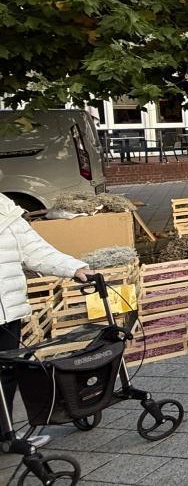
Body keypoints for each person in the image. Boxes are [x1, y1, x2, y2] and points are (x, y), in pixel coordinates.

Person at [0, 192, 92, 449]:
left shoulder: (4, 208)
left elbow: (34, 249)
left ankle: (5, 436)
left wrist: (74, 268)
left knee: (6, 374)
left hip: (8, 311)